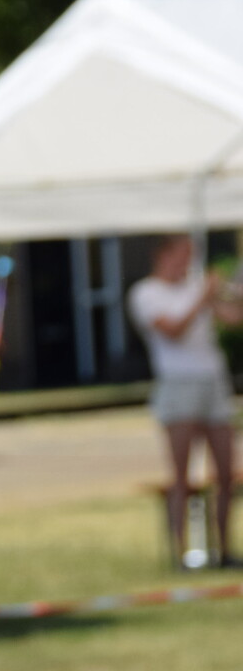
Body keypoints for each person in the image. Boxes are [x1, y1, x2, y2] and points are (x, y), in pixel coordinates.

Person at [127, 233, 243, 567]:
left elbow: (233, 318)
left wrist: (228, 293)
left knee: (226, 473)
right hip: (178, 385)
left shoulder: (194, 287)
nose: (188, 262)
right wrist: (202, 296)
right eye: (183, 254)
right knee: (181, 476)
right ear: (163, 255)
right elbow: (173, 330)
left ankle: (225, 550)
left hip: (214, 382)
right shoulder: (147, 292)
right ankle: (180, 553)